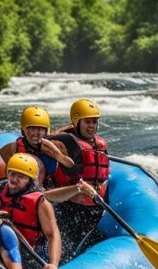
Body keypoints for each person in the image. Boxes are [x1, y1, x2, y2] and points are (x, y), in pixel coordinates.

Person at [0, 153, 73, 269]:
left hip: (31, 253)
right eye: (12, 174)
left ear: (30, 180)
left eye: (21, 177)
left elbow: (53, 234)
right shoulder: (0, 191)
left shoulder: (39, 201)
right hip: (4, 248)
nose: (14, 179)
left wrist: (53, 265)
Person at [47, 99, 111, 258]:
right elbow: (43, 141)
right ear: (77, 122)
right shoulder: (66, 140)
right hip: (71, 208)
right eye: (87, 122)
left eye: (95, 122)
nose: (92, 126)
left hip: (96, 208)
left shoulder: (100, 143)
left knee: (91, 244)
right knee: (69, 250)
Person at [0, 106, 74, 187]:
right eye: (33, 129)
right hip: (23, 191)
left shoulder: (57, 146)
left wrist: (57, 155)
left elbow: (71, 166)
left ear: (46, 131)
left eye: (40, 130)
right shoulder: (12, 148)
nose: (37, 134)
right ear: (24, 130)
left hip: (50, 189)